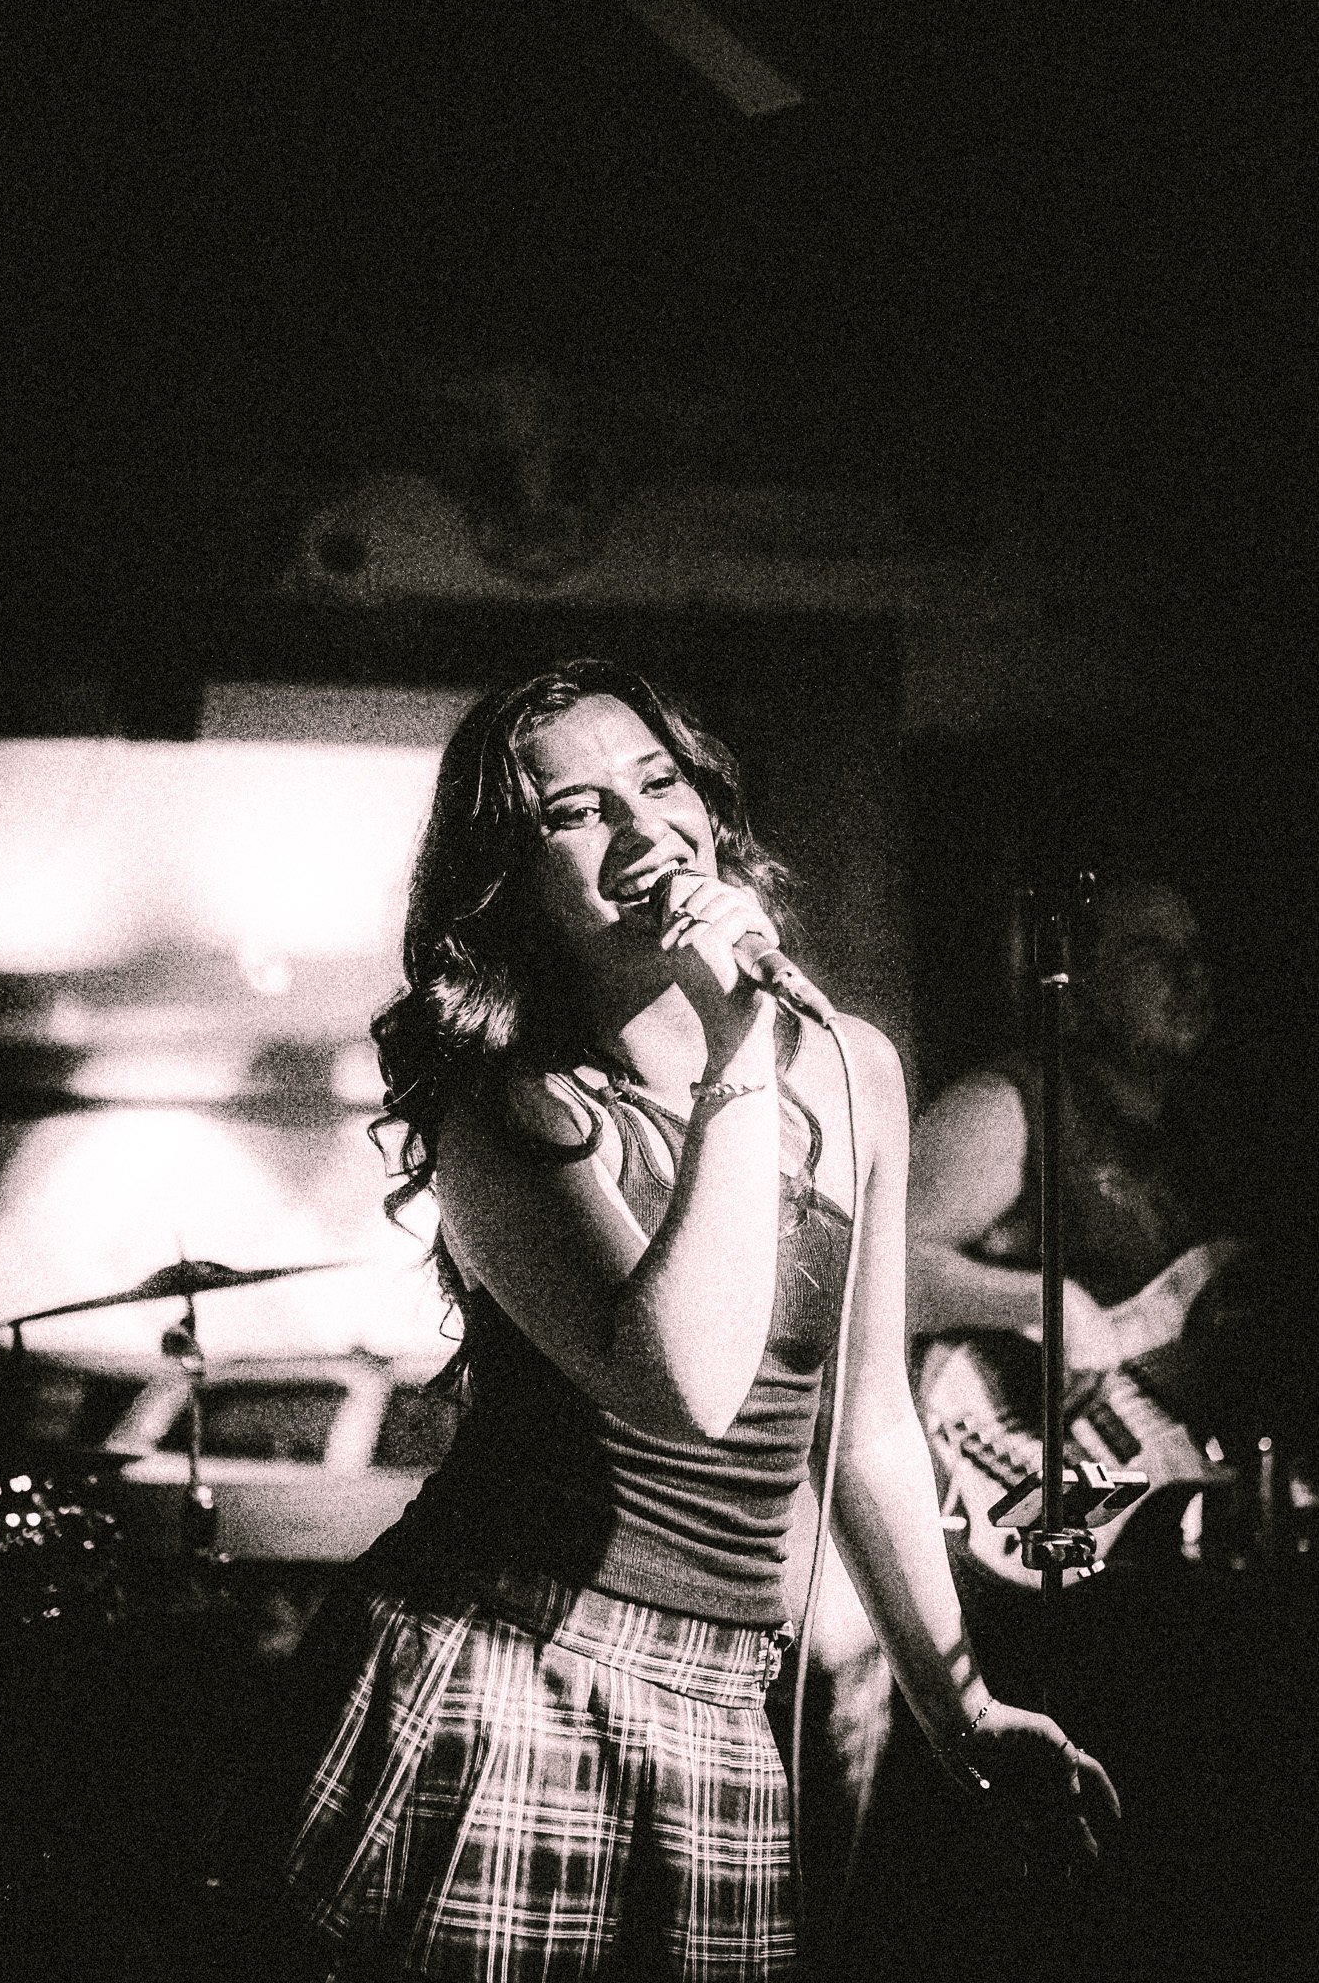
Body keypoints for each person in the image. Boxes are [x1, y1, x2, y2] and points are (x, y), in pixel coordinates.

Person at [273, 661, 1117, 1981]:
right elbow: (686, 1384)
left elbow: (864, 1426)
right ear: (510, 880)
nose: (640, 825)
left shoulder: (852, 1066)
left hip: (724, 1698)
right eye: (574, 811)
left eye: (658, 782)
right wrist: (735, 1059)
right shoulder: (511, 1102)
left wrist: (962, 1709)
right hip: (514, 1667)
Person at [908, 877, 1232, 1374]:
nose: (1188, 975)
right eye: (1151, 954)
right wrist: (1038, 1301)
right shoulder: (1010, 1104)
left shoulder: (1199, 1135)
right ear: (1084, 980)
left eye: (1195, 953)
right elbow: (887, 1266)